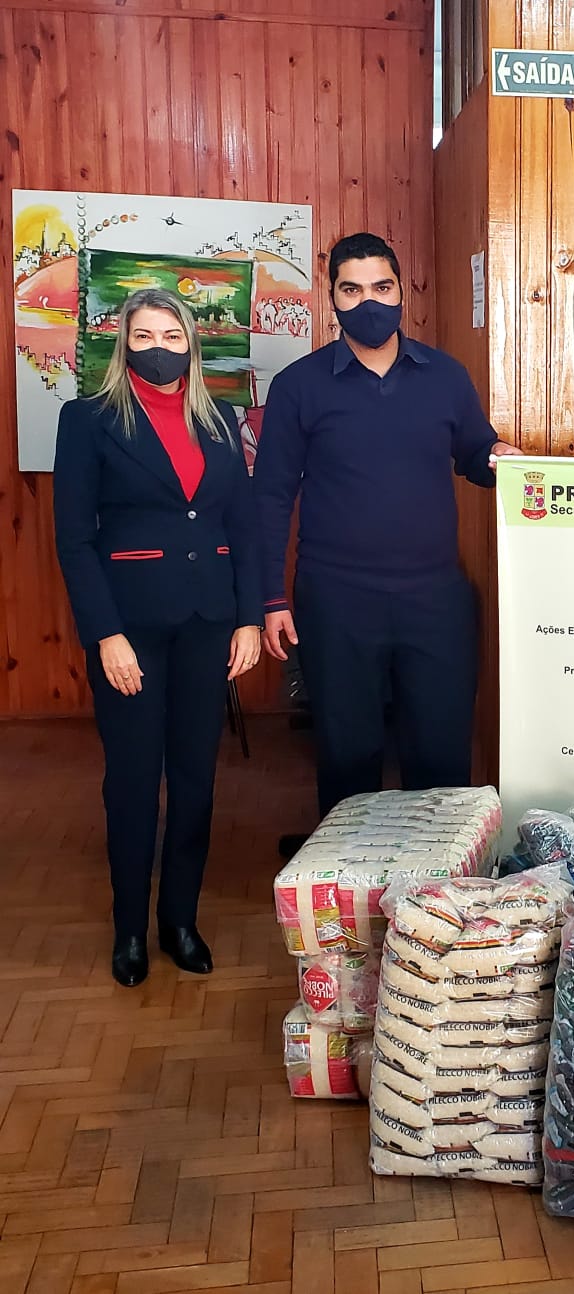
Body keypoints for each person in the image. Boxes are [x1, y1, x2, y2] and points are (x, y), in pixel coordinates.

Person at [254, 233, 521, 849]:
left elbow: (474, 453)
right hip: (336, 600)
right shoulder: (299, 386)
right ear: (332, 299)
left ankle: (439, 885)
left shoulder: (444, 376)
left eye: (382, 287)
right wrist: (270, 598)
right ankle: (349, 877)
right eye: (352, 290)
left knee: (440, 752)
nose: (369, 302)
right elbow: (269, 497)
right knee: (348, 753)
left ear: (403, 292)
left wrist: (499, 456)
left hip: (434, 598)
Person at [54, 288, 263, 987]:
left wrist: (248, 617)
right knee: (134, 782)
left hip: (208, 623)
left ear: (191, 344)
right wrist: (105, 634)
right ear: (123, 344)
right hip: (131, 629)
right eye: (144, 336)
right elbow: (75, 541)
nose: (159, 349)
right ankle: (129, 930)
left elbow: (241, 525)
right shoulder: (88, 420)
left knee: (197, 782)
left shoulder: (221, 419)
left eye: (172, 336)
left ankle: (179, 920)